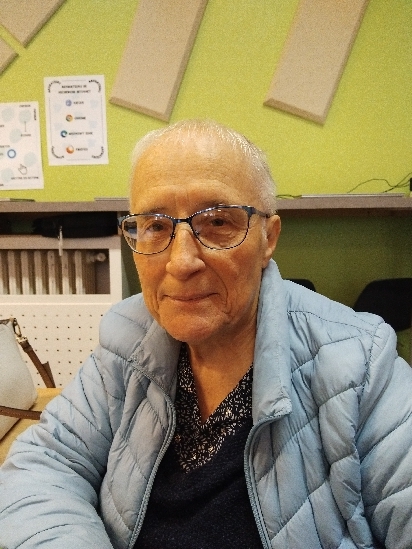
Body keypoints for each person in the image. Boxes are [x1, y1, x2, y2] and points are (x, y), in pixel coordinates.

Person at [0, 119, 412, 549]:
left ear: (268, 238)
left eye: (217, 221)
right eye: (155, 225)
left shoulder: (359, 367)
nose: (181, 262)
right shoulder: (127, 339)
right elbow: (43, 466)